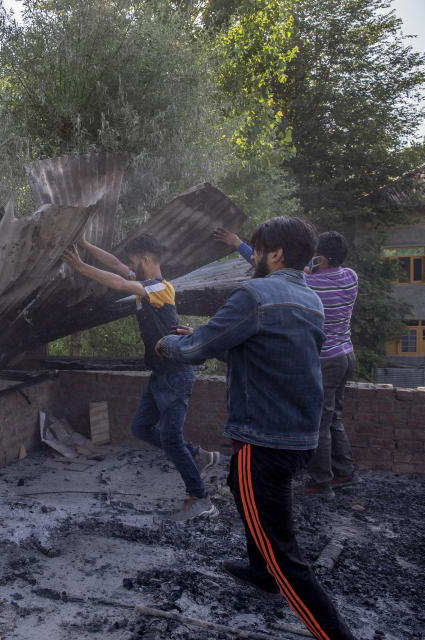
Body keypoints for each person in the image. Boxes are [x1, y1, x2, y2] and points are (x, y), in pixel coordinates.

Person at [159, 217, 357, 640]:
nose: (252, 257)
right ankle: (259, 571)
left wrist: (168, 343)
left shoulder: (254, 293)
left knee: (284, 551)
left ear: (276, 253)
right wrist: (204, 334)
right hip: (298, 435)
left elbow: (196, 350)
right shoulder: (309, 298)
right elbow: (264, 352)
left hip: (264, 439)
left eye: (256, 248)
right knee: (237, 482)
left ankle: (331, 630)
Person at [62, 235, 221, 521]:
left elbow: (120, 283)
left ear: (146, 259)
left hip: (175, 374)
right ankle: (198, 455)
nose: (130, 266)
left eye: (134, 260)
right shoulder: (146, 283)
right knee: (141, 428)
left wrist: (80, 266)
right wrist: (86, 245)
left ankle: (200, 499)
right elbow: (115, 266)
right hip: (160, 373)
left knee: (171, 440)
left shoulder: (161, 288)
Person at [214, 227, 360, 497]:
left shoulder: (312, 284)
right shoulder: (350, 277)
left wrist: (238, 244)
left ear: (323, 260)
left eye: (314, 256)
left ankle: (322, 481)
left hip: (326, 360)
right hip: (345, 356)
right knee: (334, 417)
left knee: (321, 423)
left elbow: (273, 271)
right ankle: (345, 470)